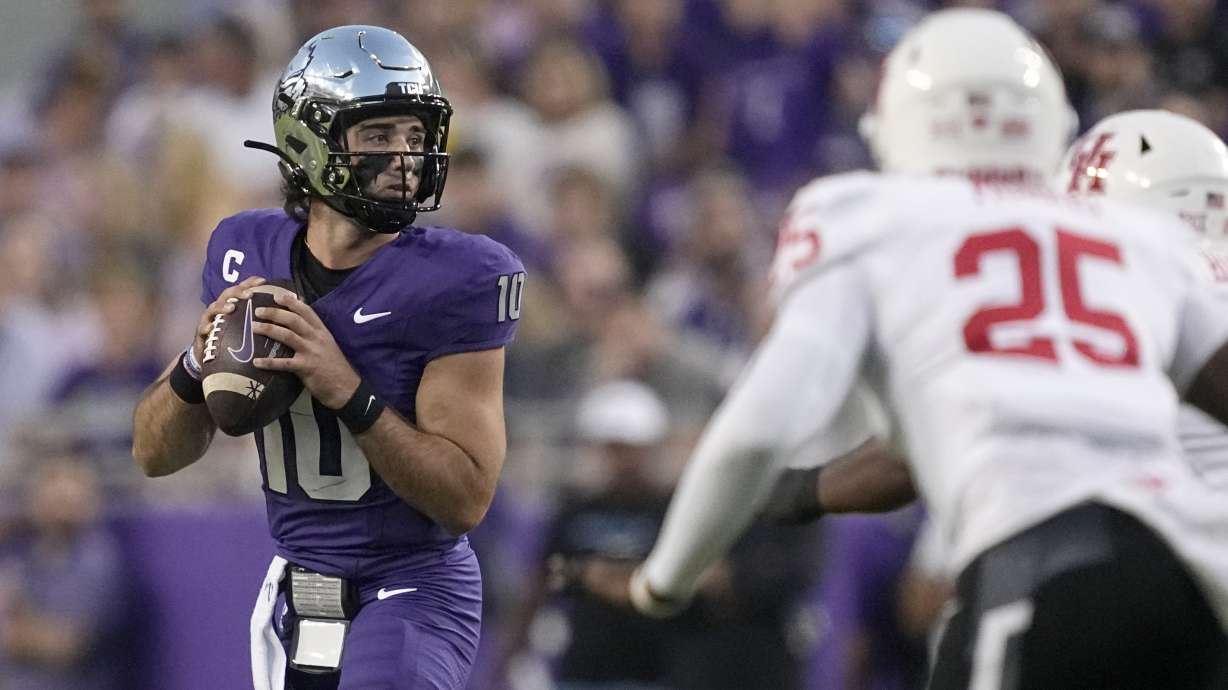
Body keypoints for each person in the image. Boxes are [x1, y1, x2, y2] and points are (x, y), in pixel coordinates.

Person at [628, 9, 1228, 689]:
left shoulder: (872, 217)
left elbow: (763, 433)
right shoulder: (1145, 250)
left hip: (1048, 548)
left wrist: (668, 577)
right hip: (1198, 566)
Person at [131, 25, 524, 690]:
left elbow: (465, 500)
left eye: (414, 134)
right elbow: (153, 454)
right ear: (308, 142)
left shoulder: (459, 277)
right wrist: (197, 364)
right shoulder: (241, 250)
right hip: (295, 587)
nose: (404, 157)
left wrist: (347, 387)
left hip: (412, 586)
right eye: (378, 135)